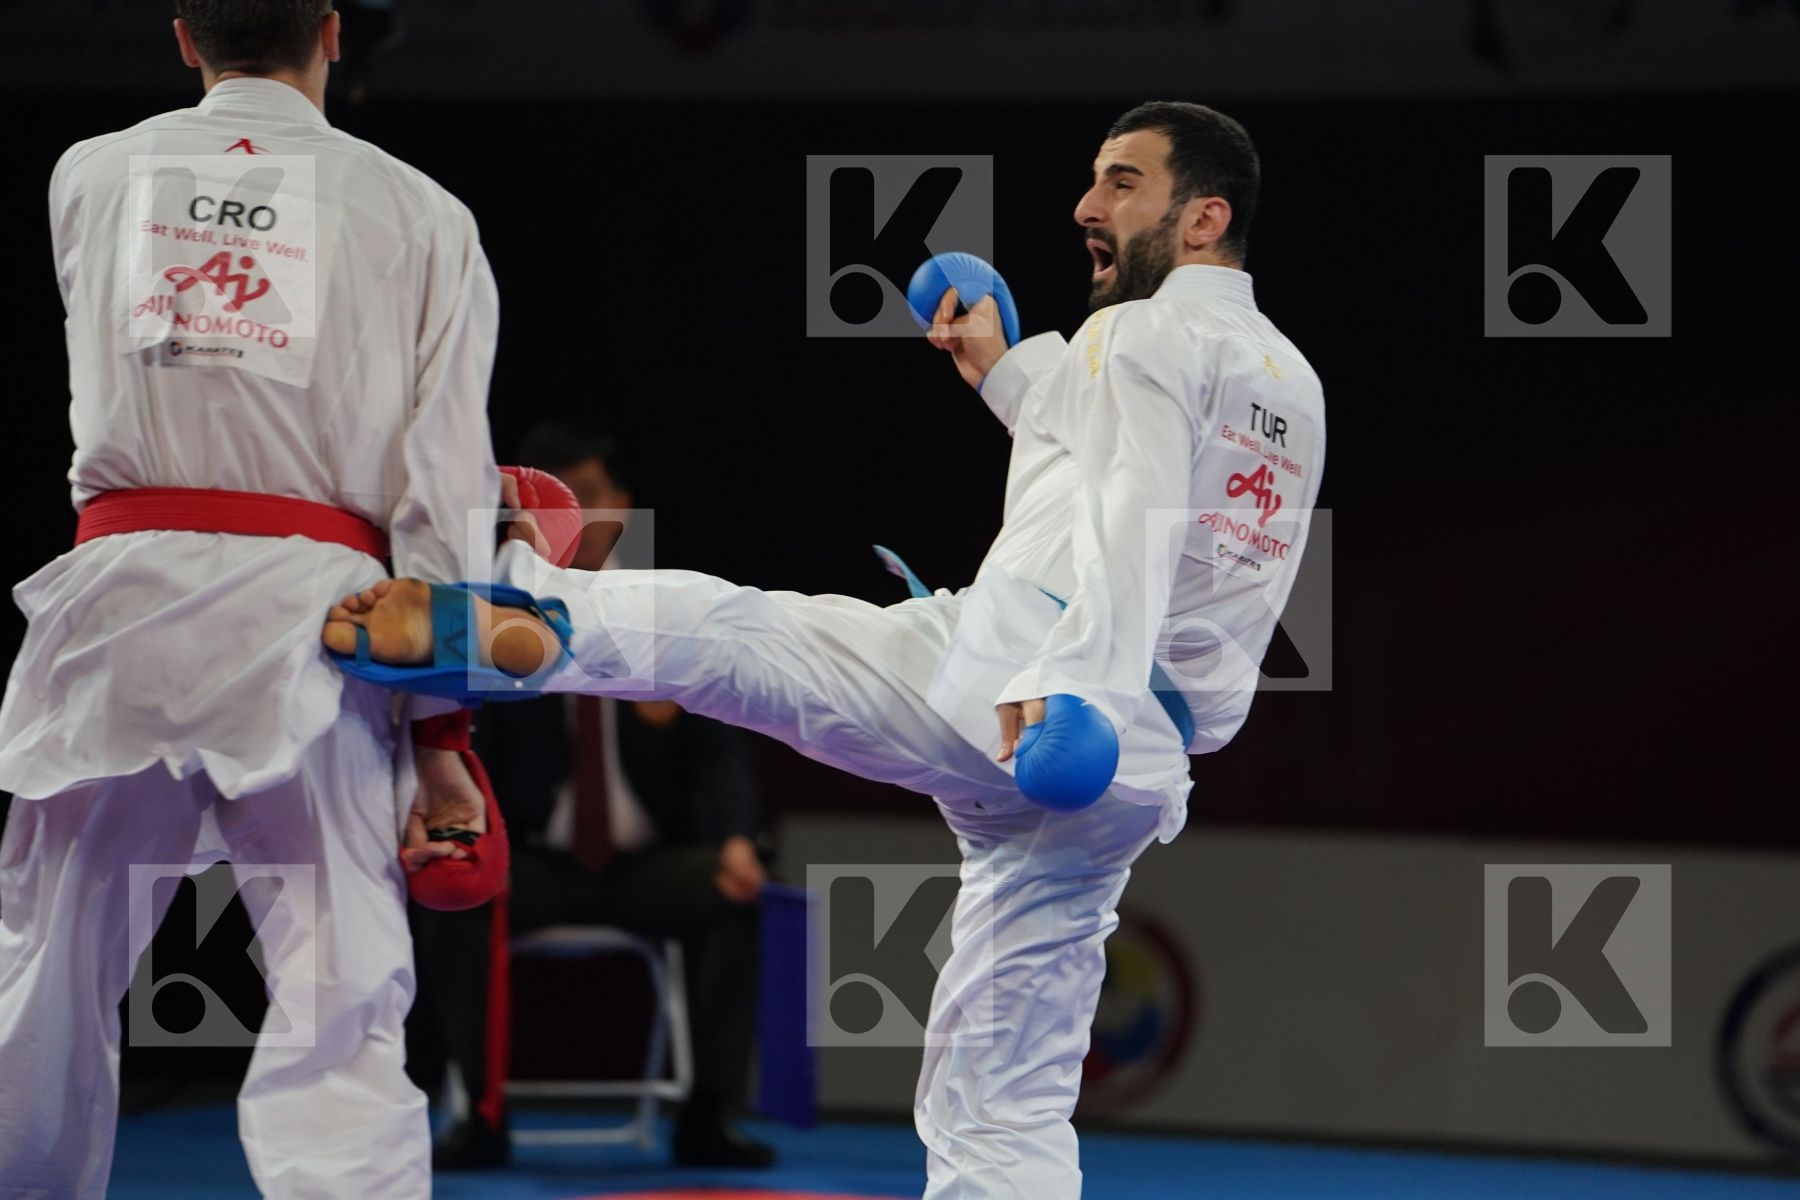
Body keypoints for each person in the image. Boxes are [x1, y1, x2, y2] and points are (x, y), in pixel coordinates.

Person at [326, 101, 1326, 1199]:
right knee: (1005, 1096)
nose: (1088, 204)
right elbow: (1148, 497)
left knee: (748, 642)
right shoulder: (1290, 385)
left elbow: (1129, 516)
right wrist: (1003, 371)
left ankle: (521, 610)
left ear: (1203, 218)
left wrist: (1074, 685)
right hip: (1135, 770)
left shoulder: (1139, 335)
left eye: (1124, 183)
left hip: (1035, 683)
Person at [0, 4, 502, 1197]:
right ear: (335, 31)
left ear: (182, 37)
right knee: (342, 993)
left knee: (41, 977)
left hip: (117, 607)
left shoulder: (89, 178)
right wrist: (442, 732)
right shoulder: (424, 213)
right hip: (316, 621)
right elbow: (444, 490)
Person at [411, 425, 775, 1171]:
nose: (567, 516)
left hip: (645, 864)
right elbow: (462, 737)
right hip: (535, 857)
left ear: (621, 504)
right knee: (461, 893)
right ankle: (480, 1116)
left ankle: (709, 1114)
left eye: (587, 496)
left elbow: (720, 748)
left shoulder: (665, 603)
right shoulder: (494, 607)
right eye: (552, 497)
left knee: (733, 892)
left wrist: (740, 837)